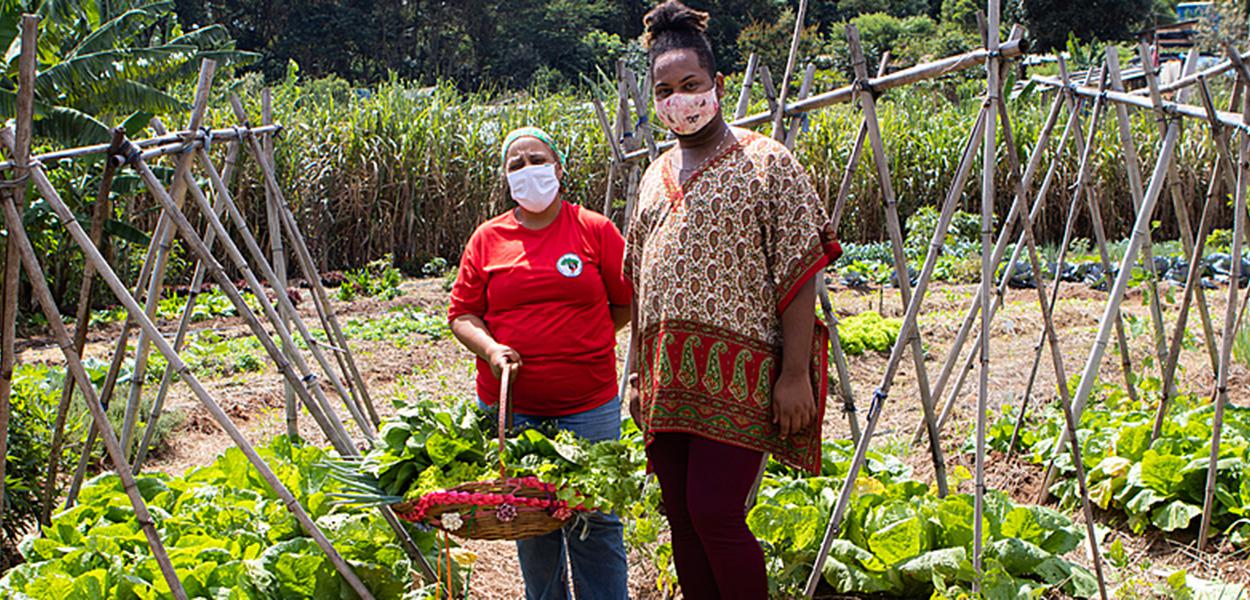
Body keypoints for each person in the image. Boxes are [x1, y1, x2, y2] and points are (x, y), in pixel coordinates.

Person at [624, 2, 834, 598]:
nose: (678, 99)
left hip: (739, 374)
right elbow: (641, 281)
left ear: (716, 86)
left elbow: (798, 272)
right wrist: (636, 372)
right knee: (683, 519)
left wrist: (794, 374)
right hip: (670, 376)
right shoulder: (653, 174)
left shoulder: (766, 162)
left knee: (716, 513)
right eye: (664, 89)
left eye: (690, 85)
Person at [448, 126, 631, 600]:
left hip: (588, 404)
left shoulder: (594, 230)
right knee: (530, 522)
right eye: (516, 164)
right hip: (515, 408)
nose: (528, 170)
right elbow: (462, 314)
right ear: (506, 179)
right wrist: (490, 350)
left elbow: (625, 300)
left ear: (559, 169)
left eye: (537, 159)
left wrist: (586, 341)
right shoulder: (488, 239)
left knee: (596, 518)